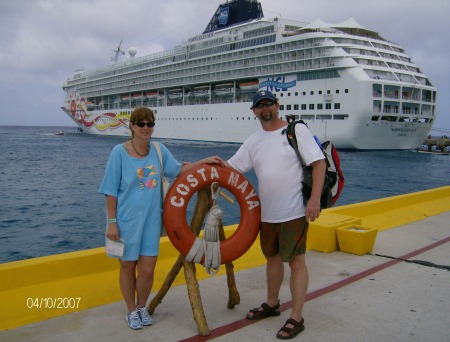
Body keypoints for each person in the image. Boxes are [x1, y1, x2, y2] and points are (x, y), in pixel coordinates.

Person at [98, 107, 222, 330]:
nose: (146, 128)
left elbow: (178, 170)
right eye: (141, 124)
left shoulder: (158, 149)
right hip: (126, 221)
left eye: (150, 124)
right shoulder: (119, 152)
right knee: (127, 267)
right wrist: (111, 222)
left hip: (152, 221)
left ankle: (142, 306)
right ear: (132, 126)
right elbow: (110, 190)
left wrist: (204, 161)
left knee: (147, 269)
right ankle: (131, 310)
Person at [222, 90, 326, 339]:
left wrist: (314, 200)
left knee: (297, 261)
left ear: (277, 106)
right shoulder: (253, 141)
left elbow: (319, 163)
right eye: (260, 105)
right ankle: (272, 303)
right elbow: (230, 167)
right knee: (272, 259)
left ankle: (297, 317)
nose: (265, 108)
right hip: (267, 214)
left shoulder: (294, 130)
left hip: (295, 210)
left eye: (268, 103)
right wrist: (198, 167)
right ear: (254, 111)